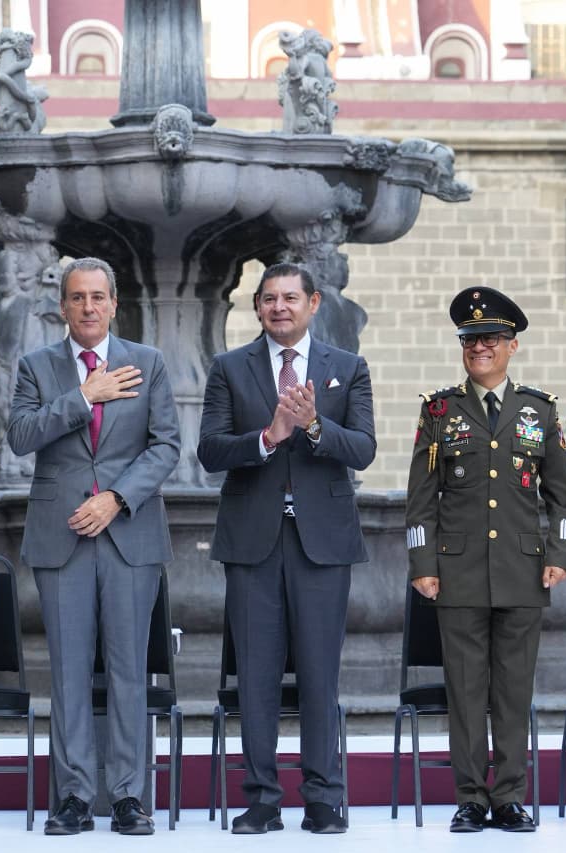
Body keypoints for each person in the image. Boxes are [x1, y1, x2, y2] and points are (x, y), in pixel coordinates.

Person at [196, 262, 375, 835]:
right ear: (256, 307)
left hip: (322, 544)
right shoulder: (228, 368)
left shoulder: (347, 369)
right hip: (253, 542)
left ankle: (323, 797)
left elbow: (365, 450)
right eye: (269, 298)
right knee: (257, 676)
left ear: (314, 303)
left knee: (320, 676)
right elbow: (210, 451)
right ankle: (262, 799)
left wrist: (316, 427)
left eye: (290, 298)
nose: (280, 307)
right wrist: (268, 437)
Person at [7, 257, 180, 836]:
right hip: (61, 537)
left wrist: (117, 499)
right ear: (63, 305)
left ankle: (130, 796)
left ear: (114, 304)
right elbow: (22, 434)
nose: (88, 307)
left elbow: (165, 447)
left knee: (131, 671)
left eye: (98, 297)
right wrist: (84, 396)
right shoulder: (36, 366)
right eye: (77, 298)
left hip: (129, 534)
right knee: (69, 672)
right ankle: (75, 796)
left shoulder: (149, 363)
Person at [404, 286, 566, 833]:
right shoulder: (439, 410)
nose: (479, 347)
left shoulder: (539, 410)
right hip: (455, 573)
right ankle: (470, 799)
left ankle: (508, 797)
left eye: (491, 339)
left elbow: (564, 498)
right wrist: (422, 564)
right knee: (464, 690)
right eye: (470, 339)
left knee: (512, 690)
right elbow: (419, 500)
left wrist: (562, 555)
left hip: (524, 571)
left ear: (512, 345)